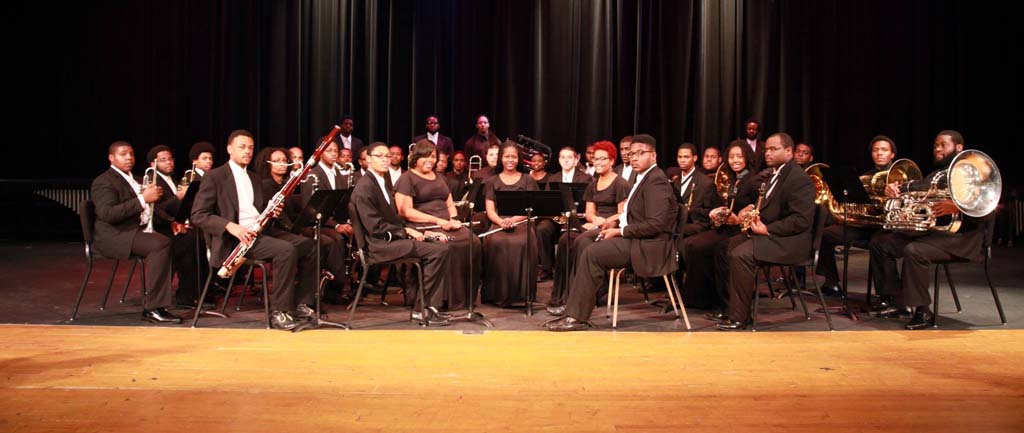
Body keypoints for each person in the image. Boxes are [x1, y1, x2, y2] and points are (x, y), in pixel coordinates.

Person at [546, 134, 677, 331]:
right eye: (631, 154)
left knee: (592, 253)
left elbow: (656, 224)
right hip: (638, 238)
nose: (634, 157)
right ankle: (573, 310)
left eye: (640, 153)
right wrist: (614, 226)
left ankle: (576, 316)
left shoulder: (656, 181)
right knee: (586, 244)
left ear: (654, 156)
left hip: (650, 246)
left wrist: (620, 230)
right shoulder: (643, 177)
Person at [191, 130, 319, 330]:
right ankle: (280, 312)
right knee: (285, 250)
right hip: (235, 239)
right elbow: (199, 215)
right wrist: (231, 226)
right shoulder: (215, 177)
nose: (247, 151)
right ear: (229, 149)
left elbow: (255, 210)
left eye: (250, 147)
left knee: (309, 245)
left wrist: (272, 212)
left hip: (260, 231)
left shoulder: (254, 177)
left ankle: (302, 304)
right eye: (242, 147)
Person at [870, 130, 993, 329]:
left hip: (965, 240)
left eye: (943, 145)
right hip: (938, 235)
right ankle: (896, 301)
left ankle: (922, 311)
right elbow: (921, 188)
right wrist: (895, 189)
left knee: (914, 251)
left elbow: (989, 208)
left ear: (959, 148)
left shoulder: (973, 173)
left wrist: (958, 206)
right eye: (936, 145)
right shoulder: (938, 174)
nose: (937, 149)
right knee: (881, 242)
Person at [715, 133, 815, 330]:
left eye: (773, 149)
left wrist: (767, 228)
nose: (767, 153)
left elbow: (801, 220)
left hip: (791, 241)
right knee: (724, 247)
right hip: (775, 236)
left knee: (741, 254)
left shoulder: (798, 178)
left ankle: (740, 317)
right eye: (766, 149)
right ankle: (729, 308)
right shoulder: (775, 174)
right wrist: (752, 210)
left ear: (788, 151)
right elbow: (772, 206)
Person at [350, 142, 452, 325]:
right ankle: (422, 309)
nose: (385, 160)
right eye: (379, 156)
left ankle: (426, 307)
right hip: (378, 245)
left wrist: (424, 231)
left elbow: (393, 219)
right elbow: (375, 227)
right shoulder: (365, 188)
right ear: (368, 160)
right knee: (438, 251)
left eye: (387, 156)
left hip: (389, 238)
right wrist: (406, 231)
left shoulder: (382, 181)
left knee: (440, 246)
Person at [91, 141, 178, 323]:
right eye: (123, 154)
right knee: (160, 244)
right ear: (111, 158)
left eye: (131, 154)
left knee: (180, 238)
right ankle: (153, 307)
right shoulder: (104, 181)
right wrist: (141, 199)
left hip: (137, 230)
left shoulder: (138, 179)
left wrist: (172, 222)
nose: (129, 157)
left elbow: (155, 207)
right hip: (116, 235)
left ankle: (189, 295)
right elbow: (108, 214)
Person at [395, 139, 482, 310]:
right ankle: (442, 299)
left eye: (433, 156)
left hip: (445, 223)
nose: (430, 160)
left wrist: (454, 219)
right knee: (448, 243)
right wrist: (438, 221)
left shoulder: (440, 177)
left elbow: (449, 203)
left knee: (473, 241)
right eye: (425, 156)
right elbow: (405, 211)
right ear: (415, 158)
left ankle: (463, 299)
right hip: (422, 226)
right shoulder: (407, 178)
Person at [547, 142, 628, 314]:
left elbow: (623, 213)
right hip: (596, 224)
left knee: (582, 242)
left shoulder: (620, 183)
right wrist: (594, 219)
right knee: (565, 239)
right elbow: (590, 211)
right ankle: (562, 296)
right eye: (595, 159)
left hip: (611, 228)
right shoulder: (593, 184)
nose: (597, 162)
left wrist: (604, 220)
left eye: (602, 159)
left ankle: (583, 298)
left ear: (612, 161)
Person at [684, 141, 761, 312]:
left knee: (702, 246)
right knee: (691, 244)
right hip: (727, 228)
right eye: (732, 157)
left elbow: (757, 208)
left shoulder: (754, 180)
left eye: (739, 156)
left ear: (747, 157)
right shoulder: (734, 179)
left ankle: (718, 302)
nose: (735, 160)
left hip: (741, 232)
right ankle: (701, 297)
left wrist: (741, 216)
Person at [815, 135, 897, 297]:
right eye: (875, 150)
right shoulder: (865, 177)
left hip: (887, 229)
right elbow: (858, 206)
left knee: (879, 244)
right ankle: (832, 283)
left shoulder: (899, 174)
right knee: (826, 235)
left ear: (892, 154)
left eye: (884, 150)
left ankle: (887, 295)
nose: (879, 153)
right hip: (866, 226)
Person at [481, 141, 540, 307]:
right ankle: (497, 294)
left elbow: (532, 208)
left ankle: (521, 294)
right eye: (507, 156)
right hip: (499, 221)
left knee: (522, 241)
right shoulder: (492, 181)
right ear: (501, 158)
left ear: (518, 159)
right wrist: (501, 221)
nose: (510, 160)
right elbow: (490, 209)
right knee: (496, 241)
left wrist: (513, 220)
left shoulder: (528, 180)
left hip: (522, 221)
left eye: (514, 157)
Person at [146, 145, 203, 308]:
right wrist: (179, 197)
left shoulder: (174, 179)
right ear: (153, 164)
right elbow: (157, 210)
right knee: (188, 242)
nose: (169, 163)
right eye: (163, 160)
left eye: (170, 159)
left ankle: (198, 292)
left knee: (199, 238)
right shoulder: (152, 180)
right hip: (161, 227)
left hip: (175, 223)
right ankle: (185, 295)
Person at [536, 147, 592, 280]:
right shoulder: (553, 178)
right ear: (559, 160)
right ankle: (546, 269)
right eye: (563, 157)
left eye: (569, 157)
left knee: (566, 236)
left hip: (577, 217)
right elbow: (548, 203)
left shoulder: (586, 178)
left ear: (576, 159)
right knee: (542, 229)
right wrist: (555, 216)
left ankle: (566, 271)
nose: (566, 160)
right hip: (557, 217)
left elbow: (587, 202)